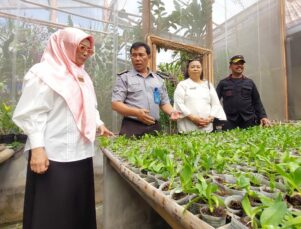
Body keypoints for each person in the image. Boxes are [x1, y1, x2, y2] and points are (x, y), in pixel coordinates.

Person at [13, 27, 113, 229]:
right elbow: (32, 113)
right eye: (81, 47)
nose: (86, 52)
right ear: (64, 45)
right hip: (53, 154)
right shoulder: (43, 73)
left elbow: (89, 106)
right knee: (52, 212)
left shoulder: (83, 76)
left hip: (81, 152)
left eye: (88, 49)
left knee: (77, 209)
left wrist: (98, 124)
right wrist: (38, 149)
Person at [112, 41, 178, 138]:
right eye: (134, 55)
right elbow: (115, 104)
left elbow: (164, 103)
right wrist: (136, 113)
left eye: (141, 55)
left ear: (149, 56)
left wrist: (172, 112)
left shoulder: (158, 80)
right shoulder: (124, 78)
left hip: (154, 127)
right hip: (132, 126)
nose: (137, 59)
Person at [216, 55, 271, 130]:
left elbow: (257, 101)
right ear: (230, 66)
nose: (239, 66)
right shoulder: (223, 83)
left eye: (241, 63)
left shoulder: (249, 82)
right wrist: (215, 117)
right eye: (236, 63)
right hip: (229, 121)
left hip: (248, 120)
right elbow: (215, 101)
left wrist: (263, 117)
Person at [174, 59, 226, 133]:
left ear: (201, 70)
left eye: (198, 67)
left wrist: (210, 118)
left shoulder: (208, 84)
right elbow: (179, 104)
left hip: (207, 128)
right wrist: (193, 118)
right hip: (187, 129)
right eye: (192, 67)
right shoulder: (182, 85)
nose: (195, 69)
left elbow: (216, 104)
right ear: (188, 70)